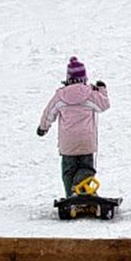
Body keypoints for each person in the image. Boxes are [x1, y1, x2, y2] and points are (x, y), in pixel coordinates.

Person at [37, 57, 111, 196]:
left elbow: (49, 113)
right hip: (86, 142)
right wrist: (102, 90)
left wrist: (43, 127)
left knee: (68, 171)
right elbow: (104, 105)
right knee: (86, 168)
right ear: (84, 78)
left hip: (68, 144)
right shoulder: (90, 94)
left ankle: (71, 197)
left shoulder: (60, 96)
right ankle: (83, 191)